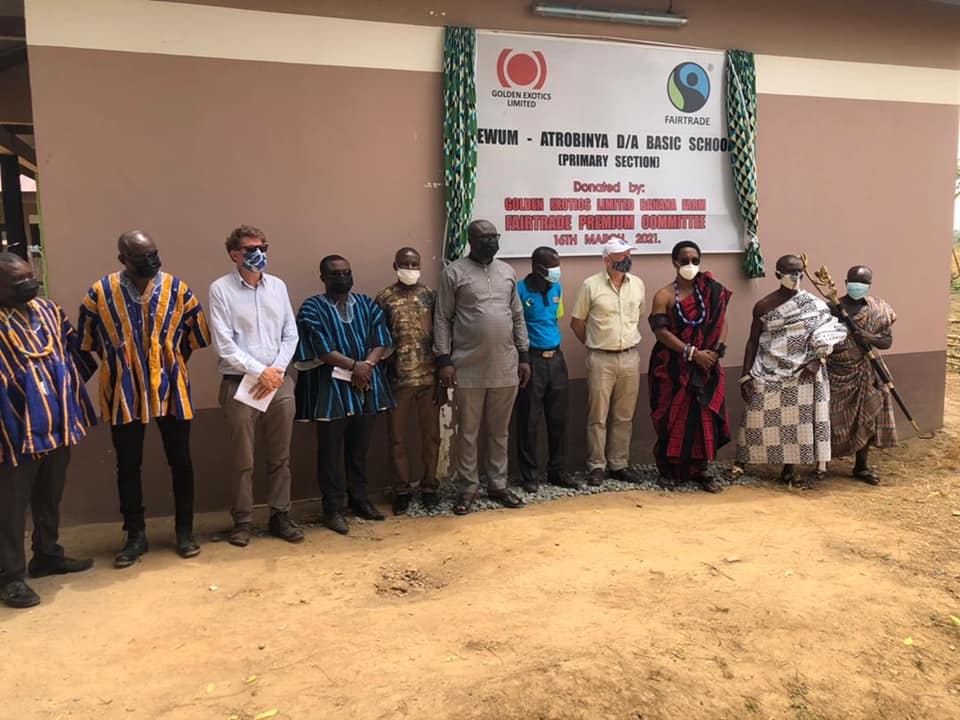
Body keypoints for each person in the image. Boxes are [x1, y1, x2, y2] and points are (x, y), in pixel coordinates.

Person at [78, 231, 210, 567]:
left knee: (181, 461)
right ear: (122, 259)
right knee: (127, 465)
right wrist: (126, 367)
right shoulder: (100, 292)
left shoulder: (177, 289)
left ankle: (184, 531)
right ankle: (135, 535)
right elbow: (88, 341)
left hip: (171, 388)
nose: (151, 261)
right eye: (141, 256)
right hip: (123, 391)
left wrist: (166, 366)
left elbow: (193, 337)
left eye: (153, 253)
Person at [0, 253, 96, 608]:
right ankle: (10, 576)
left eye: (30, 276)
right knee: (10, 505)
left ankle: (47, 554)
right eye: (18, 281)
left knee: (49, 494)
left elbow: (76, 352)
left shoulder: (49, 311)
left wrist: (64, 394)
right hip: (12, 430)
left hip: (57, 423)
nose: (29, 284)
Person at [208, 225, 304, 548]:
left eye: (263, 247)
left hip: (279, 382)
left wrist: (275, 371)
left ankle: (280, 516)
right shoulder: (220, 290)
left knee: (281, 456)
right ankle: (243, 521)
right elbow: (224, 344)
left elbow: (290, 333)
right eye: (251, 249)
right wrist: (259, 372)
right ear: (234, 255)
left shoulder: (278, 286)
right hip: (240, 384)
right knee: (243, 460)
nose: (259, 254)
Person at [435, 219, 530, 515]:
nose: (490, 241)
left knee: (499, 431)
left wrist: (524, 355)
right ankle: (467, 488)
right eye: (483, 237)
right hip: (467, 366)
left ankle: (498, 484)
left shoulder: (507, 272)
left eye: (493, 236)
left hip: (505, 364)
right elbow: (442, 318)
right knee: (468, 432)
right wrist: (444, 359)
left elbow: (517, 316)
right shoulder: (454, 273)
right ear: (471, 240)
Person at [295, 255, 394, 535]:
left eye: (346, 272)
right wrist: (354, 366)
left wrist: (367, 366)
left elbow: (381, 339)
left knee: (359, 449)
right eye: (336, 273)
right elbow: (321, 347)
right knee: (329, 452)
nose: (343, 277)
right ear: (322, 277)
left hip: (365, 386)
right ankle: (333, 508)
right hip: (331, 390)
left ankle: (360, 500)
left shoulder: (366, 304)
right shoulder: (312, 307)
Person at [734, 254, 847, 487]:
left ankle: (789, 468)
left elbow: (831, 335)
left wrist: (818, 361)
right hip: (768, 369)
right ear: (778, 274)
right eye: (791, 273)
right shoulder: (764, 305)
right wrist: (745, 375)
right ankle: (741, 462)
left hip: (803, 372)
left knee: (796, 423)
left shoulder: (815, 305)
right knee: (755, 417)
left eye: (799, 274)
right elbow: (753, 341)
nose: (796, 278)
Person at [648, 241, 731, 493]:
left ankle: (701, 469)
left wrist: (717, 350)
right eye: (685, 260)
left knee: (704, 416)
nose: (690, 265)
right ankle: (671, 470)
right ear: (674, 262)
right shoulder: (663, 295)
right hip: (672, 366)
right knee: (670, 417)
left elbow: (722, 322)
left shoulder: (710, 291)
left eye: (695, 260)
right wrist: (692, 353)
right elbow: (660, 331)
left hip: (707, 364)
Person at [570, 237, 646, 486]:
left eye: (628, 255)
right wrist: (594, 344)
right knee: (598, 416)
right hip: (601, 358)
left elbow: (639, 315)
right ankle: (596, 465)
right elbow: (577, 323)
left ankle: (619, 463)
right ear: (607, 260)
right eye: (621, 256)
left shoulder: (638, 284)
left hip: (630, 357)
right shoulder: (590, 285)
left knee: (624, 415)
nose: (627, 260)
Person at [375, 247, 442, 515]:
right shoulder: (384, 298)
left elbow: (441, 335)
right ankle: (401, 490)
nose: (410, 269)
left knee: (431, 438)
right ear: (395, 266)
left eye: (415, 264)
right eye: (405, 264)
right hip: (397, 380)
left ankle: (430, 487)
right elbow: (377, 338)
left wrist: (442, 377)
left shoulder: (430, 295)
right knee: (397, 439)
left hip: (429, 379)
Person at [515, 246, 582, 493]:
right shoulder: (519, 290)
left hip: (555, 358)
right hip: (531, 360)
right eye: (552, 267)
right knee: (529, 420)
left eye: (557, 265)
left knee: (558, 418)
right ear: (537, 268)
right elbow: (516, 324)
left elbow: (555, 318)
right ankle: (530, 475)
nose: (556, 271)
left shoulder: (557, 288)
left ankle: (557, 471)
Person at [826, 266, 898, 485]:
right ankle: (822, 463)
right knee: (830, 418)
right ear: (845, 283)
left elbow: (887, 341)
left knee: (867, 415)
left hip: (867, 369)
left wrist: (869, 337)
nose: (858, 286)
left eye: (863, 283)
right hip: (836, 370)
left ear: (869, 285)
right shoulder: (831, 307)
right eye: (854, 282)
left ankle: (861, 466)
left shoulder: (878, 309)